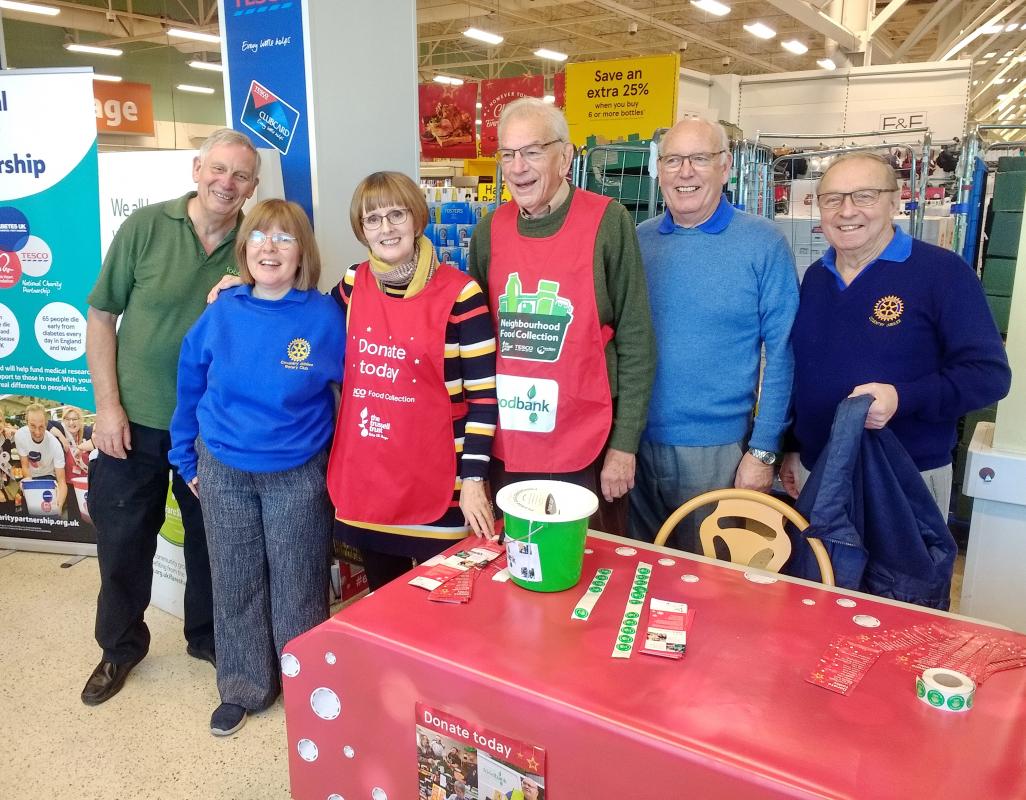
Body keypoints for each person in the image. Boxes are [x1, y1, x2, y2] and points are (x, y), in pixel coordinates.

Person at [81, 128, 260, 707]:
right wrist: (108, 408)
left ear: (252, 186)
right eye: (218, 169)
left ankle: (207, 638)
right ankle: (119, 647)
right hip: (134, 422)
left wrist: (254, 285)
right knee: (123, 541)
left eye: (239, 175)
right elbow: (102, 316)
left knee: (213, 541)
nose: (225, 183)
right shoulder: (145, 228)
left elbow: (285, 310)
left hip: (214, 430)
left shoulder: (257, 245)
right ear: (196, 168)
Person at [170, 199, 344, 736]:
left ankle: (305, 681)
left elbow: (353, 395)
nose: (270, 247)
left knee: (299, 583)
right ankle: (244, 685)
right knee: (236, 580)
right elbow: (190, 382)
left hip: (297, 469)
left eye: (284, 238)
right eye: (259, 236)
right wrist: (183, 454)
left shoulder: (323, 316)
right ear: (244, 249)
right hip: (223, 467)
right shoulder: (221, 311)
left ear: (302, 254)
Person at [779, 152, 1012, 513]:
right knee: (817, 570)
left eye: (865, 196)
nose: (847, 210)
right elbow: (804, 370)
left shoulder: (942, 273)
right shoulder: (815, 277)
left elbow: (989, 376)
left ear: (895, 201)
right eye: (832, 199)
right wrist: (794, 445)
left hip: (904, 478)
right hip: (818, 470)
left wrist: (903, 398)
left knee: (899, 572)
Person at [467, 98, 654, 532]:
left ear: (565, 157)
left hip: (588, 443)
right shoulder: (487, 232)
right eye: (508, 154)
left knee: (588, 574)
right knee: (515, 569)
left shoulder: (608, 221)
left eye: (532, 151)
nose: (518, 167)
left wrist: (624, 446)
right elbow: (472, 347)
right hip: (507, 446)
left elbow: (637, 337)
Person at [630, 117, 799, 553]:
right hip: (634, 446)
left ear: (725, 167)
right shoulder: (638, 242)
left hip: (718, 452)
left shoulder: (763, 243)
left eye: (699, 159)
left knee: (708, 583)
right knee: (636, 576)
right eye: (672, 160)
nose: (684, 172)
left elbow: (783, 354)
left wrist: (763, 452)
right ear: (659, 169)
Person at [325, 171, 498, 589]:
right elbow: (301, 324)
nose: (386, 228)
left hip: (442, 485)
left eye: (397, 214)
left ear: (417, 219)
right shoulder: (352, 285)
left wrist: (474, 481)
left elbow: (485, 399)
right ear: (362, 231)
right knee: (385, 601)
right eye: (373, 219)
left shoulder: (462, 294)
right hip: (370, 480)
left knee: (444, 604)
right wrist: (251, 286)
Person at [14, 403, 68, 513]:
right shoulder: (20, 435)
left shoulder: (55, 445)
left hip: (49, 477)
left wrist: (60, 504)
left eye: (41, 427)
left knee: (50, 511)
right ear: (26, 423)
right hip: (31, 477)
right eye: (33, 426)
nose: (37, 432)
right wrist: (28, 482)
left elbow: (62, 481)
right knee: (25, 511)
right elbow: (25, 466)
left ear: (46, 424)